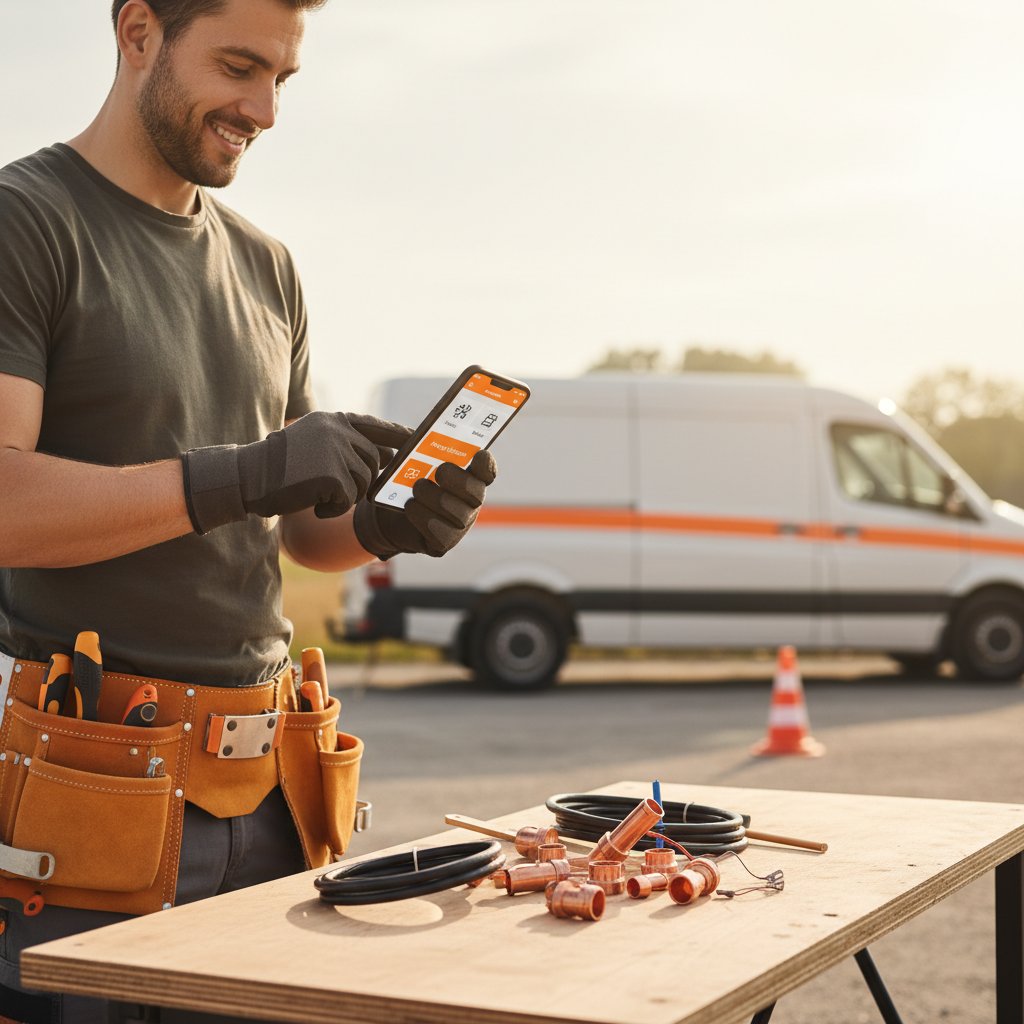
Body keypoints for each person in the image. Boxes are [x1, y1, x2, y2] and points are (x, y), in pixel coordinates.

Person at [0, 1, 496, 1021]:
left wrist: (383, 524)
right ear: (139, 31)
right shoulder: (27, 220)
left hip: (276, 790)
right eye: (237, 66)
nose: (263, 107)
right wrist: (242, 472)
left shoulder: (267, 266)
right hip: (92, 786)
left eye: (283, 78)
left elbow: (296, 532)